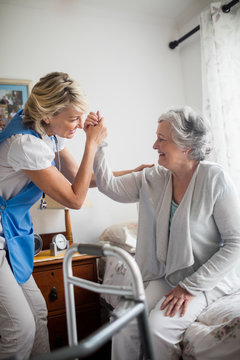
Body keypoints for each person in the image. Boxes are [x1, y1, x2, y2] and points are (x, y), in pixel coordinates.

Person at [0, 72, 147, 360]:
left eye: (81, 117)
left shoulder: (48, 134)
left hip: (11, 232)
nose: (80, 125)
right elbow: (75, 198)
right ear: (47, 116)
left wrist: (133, 172)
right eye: (73, 119)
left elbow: (82, 179)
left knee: (39, 314)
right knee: (20, 329)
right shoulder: (24, 144)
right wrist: (91, 143)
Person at [90, 106, 240, 359]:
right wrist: (99, 144)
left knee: (158, 327)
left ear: (186, 146)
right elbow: (108, 185)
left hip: (207, 277)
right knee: (123, 322)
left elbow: (235, 242)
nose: (153, 145)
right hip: (168, 273)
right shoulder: (153, 177)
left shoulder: (215, 178)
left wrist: (189, 287)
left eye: (161, 139)